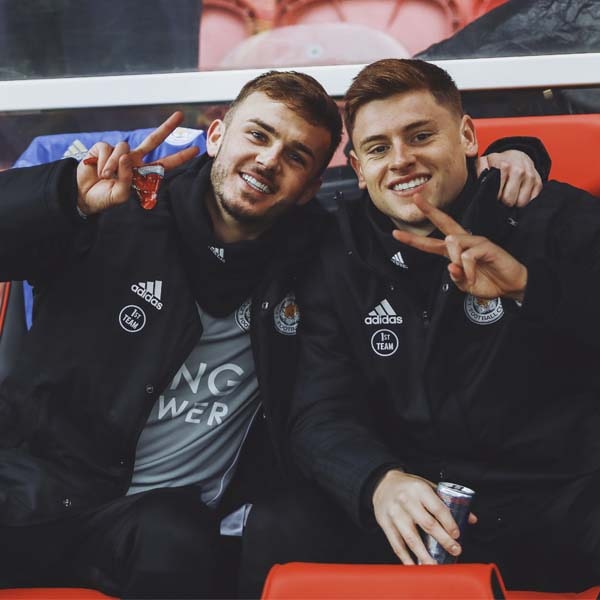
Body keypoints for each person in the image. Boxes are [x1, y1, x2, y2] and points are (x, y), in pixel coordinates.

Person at [0, 69, 545, 599]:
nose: (268, 160)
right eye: (258, 136)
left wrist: (510, 157)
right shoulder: (116, 207)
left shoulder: (316, 252)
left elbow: (403, 206)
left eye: (296, 156)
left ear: (312, 188)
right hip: (32, 492)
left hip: (151, 525)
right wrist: (67, 199)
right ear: (217, 135)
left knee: (178, 541)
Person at [256, 58, 600, 594]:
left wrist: (530, 289)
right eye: (378, 148)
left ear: (467, 136)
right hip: (415, 503)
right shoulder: (334, 251)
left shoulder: (557, 216)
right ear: (357, 167)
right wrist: (376, 481)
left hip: (560, 497)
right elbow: (319, 410)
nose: (401, 160)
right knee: (281, 524)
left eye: (420, 136)